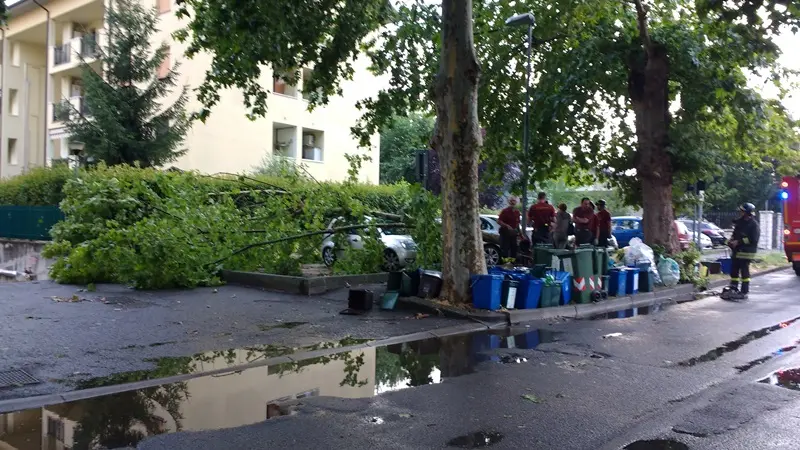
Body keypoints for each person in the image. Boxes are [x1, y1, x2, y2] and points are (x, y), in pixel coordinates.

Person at [722, 203, 759, 300]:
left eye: (742, 211)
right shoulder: (740, 222)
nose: (740, 213)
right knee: (734, 270)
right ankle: (733, 288)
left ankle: (744, 291)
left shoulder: (753, 225)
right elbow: (735, 234)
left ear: (747, 212)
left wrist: (739, 242)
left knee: (744, 271)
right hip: (737, 251)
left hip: (747, 252)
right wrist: (731, 240)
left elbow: (753, 239)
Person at [497, 196, 523, 261]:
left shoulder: (517, 212)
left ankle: (511, 264)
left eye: (514, 201)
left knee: (514, 250)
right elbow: (499, 221)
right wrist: (506, 226)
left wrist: (521, 234)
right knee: (505, 250)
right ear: (509, 202)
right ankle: (504, 264)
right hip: (505, 234)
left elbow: (517, 224)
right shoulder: (505, 211)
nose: (512, 202)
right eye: (511, 201)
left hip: (513, 234)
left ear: (516, 202)